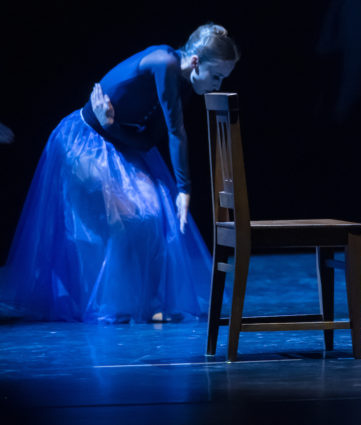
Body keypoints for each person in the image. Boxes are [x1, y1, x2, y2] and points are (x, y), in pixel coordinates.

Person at [0, 24, 239, 323]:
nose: (217, 85)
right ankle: (114, 304)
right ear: (194, 62)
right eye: (215, 75)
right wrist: (184, 189)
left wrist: (114, 127)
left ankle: (146, 302)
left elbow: (147, 141)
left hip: (118, 144)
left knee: (152, 214)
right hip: (83, 141)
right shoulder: (163, 62)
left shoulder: (183, 86)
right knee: (127, 217)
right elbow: (176, 131)